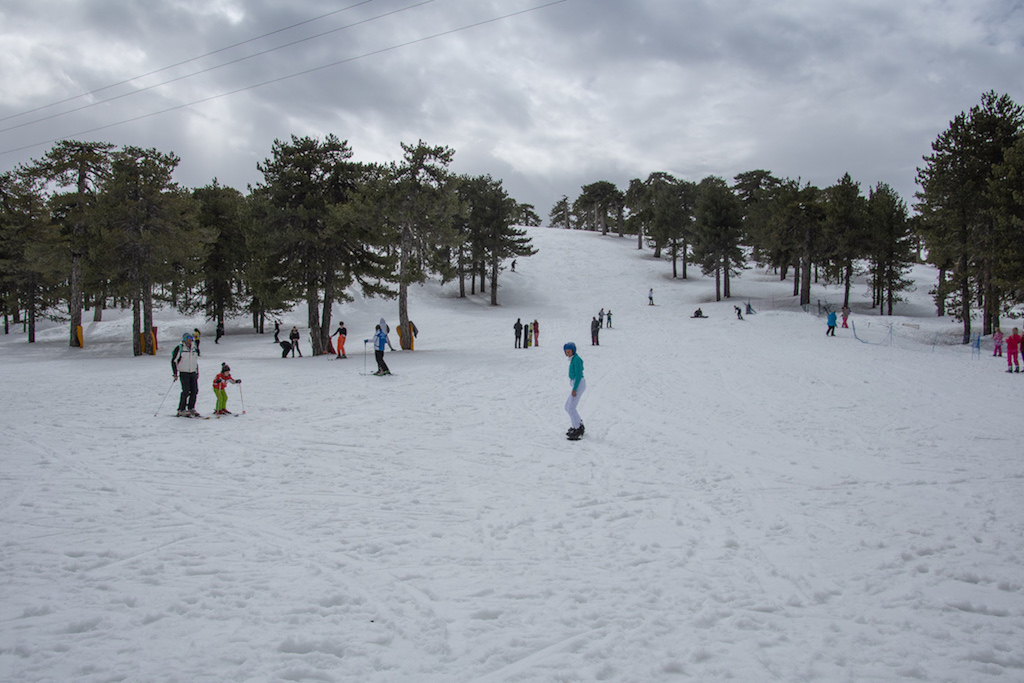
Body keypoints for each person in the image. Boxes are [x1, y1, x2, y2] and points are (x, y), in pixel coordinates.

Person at [171, 332, 201, 417]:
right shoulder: (180, 348)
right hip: (184, 372)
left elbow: (195, 361)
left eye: (191, 338)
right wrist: (175, 373)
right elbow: (174, 361)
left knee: (194, 391)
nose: (189, 340)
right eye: (188, 338)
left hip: (193, 372)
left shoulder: (194, 348)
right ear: (184, 339)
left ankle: (191, 407)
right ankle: (181, 409)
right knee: (186, 391)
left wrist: (197, 372)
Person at [563, 342, 586, 440]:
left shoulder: (576, 360)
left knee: (571, 407)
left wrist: (575, 389)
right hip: (576, 384)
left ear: (573, 350)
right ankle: (576, 425)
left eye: (569, 351)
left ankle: (578, 428)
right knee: (567, 406)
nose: (567, 353)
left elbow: (578, 374)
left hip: (578, 384)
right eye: (566, 352)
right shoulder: (573, 359)